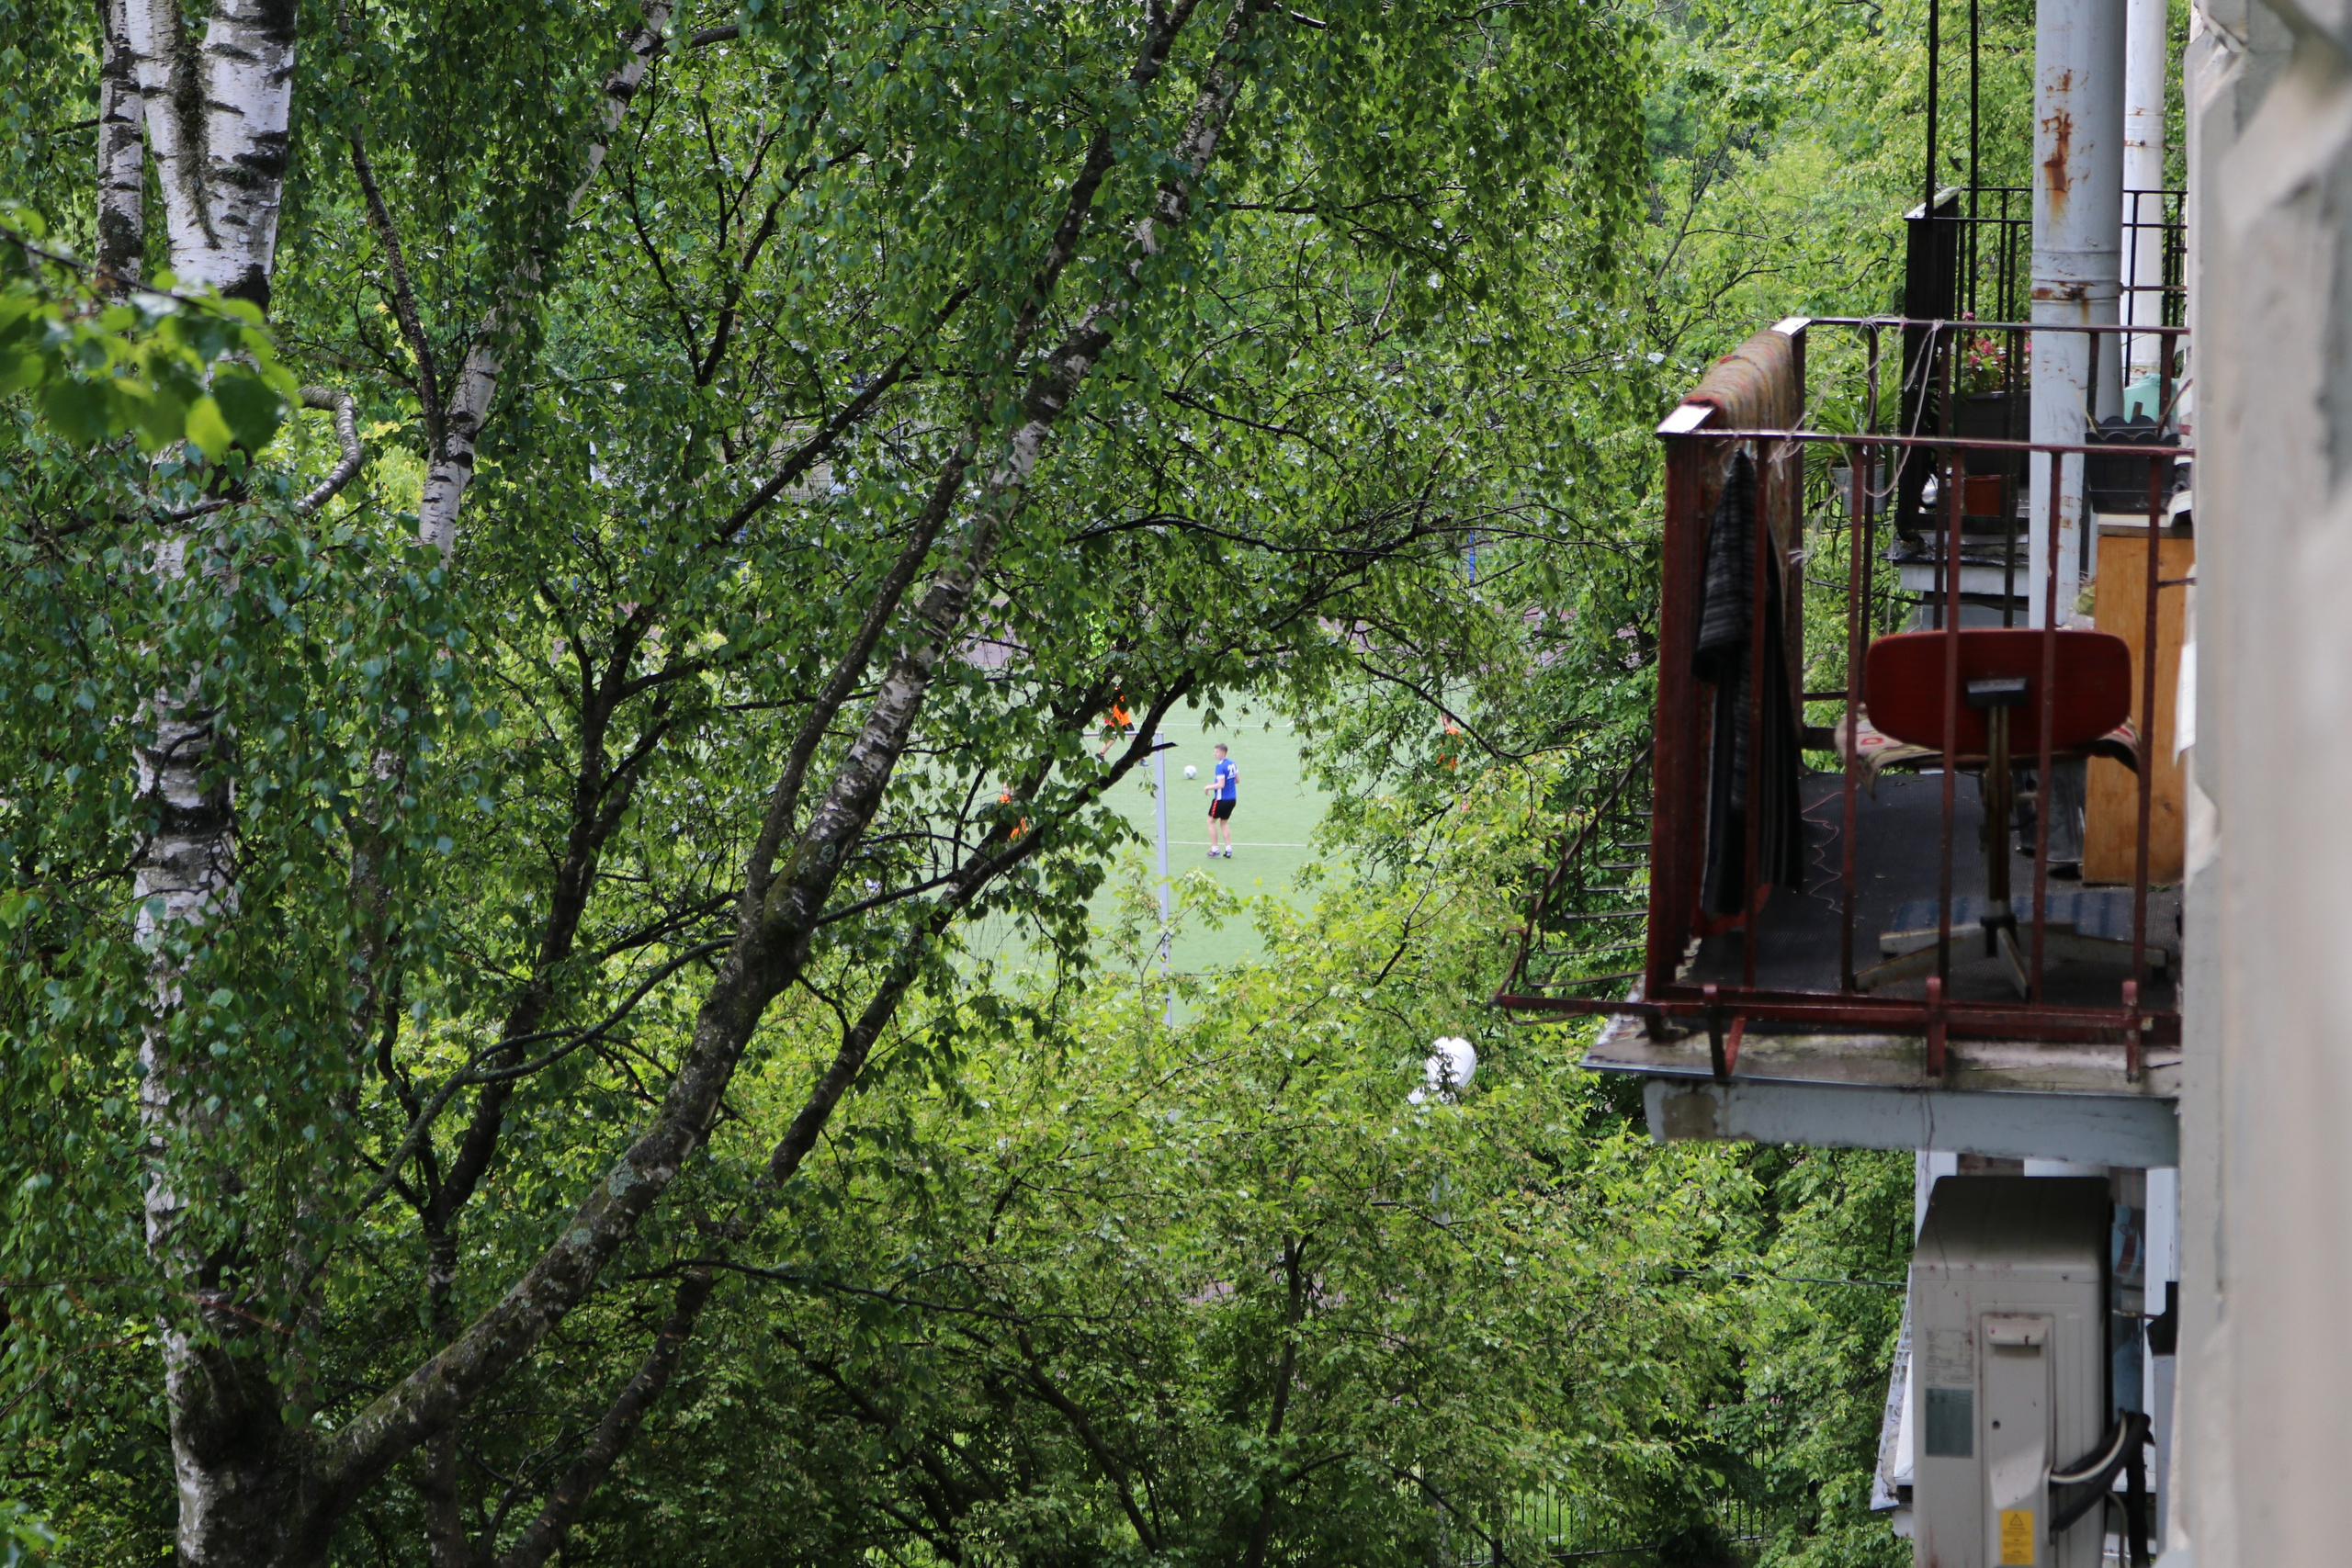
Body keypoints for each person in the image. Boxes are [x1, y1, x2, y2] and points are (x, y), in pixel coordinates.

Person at [1203, 742, 1238, 857]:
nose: (1215, 754)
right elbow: (1237, 780)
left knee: (1211, 822)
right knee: (1224, 823)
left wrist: (1208, 787)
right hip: (1232, 799)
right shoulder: (1233, 763)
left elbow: (1221, 785)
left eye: (1217, 752)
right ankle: (1228, 848)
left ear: (1223, 752)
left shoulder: (1220, 766)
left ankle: (1215, 848)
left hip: (1221, 799)